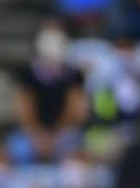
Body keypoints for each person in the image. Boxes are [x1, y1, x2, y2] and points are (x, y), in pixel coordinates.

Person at [8, 22, 86, 163]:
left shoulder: (74, 74)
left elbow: (76, 110)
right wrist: (38, 136)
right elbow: (23, 108)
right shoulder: (28, 73)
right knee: (20, 148)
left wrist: (54, 137)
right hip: (33, 131)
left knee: (71, 145)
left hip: (63, 131)